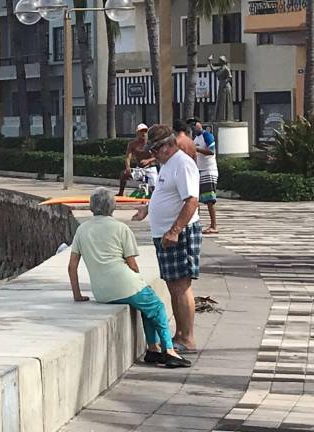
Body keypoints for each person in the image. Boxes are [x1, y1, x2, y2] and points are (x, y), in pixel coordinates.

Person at [69, 187, 191, 368]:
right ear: (112, 206)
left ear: (92, 206)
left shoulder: (82, 229)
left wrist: (77, 295)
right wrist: (138, 279)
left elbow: (72, 267)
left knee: (147, 308)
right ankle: (169, 350)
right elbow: (132, 264)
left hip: (102, 292)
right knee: (157, 307)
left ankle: (152, 349)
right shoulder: (121, 228)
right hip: (124, 284)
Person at [132, 124, 201, 354]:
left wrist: (174, 231)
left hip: (179, 234)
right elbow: (166, 194)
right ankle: (179, 335)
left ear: (167, 146)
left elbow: (191, 200)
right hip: (166, 234)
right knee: (173, 285)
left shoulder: (182, 164)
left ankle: (187, 338)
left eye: (155, 150)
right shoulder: (168, 165)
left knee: (181, 285)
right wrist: (148, 209)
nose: (153, 154)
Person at [193, 122, 219, 234]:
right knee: (194, 199)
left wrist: (196, 149)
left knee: (209, 200)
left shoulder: (207, 135)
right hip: (199, 171)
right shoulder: (195, 139)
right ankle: (195, 224)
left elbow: (211, 151)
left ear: (200, 125)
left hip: (209, 171)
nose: (194, 127)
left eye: (195, 124)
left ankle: (214, 225)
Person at [118, 123, 157, 196]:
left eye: (145, 131)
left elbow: (158, 156)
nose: (144, 133)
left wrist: (148, 160)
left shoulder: (151, 143)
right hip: (139, 169)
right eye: (141, 131)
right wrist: (128, 167)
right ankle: (120, 193)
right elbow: (128, 157)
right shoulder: (132, 144)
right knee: (124, 174)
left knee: (154, 189)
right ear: (137, 133)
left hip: (151, 168)